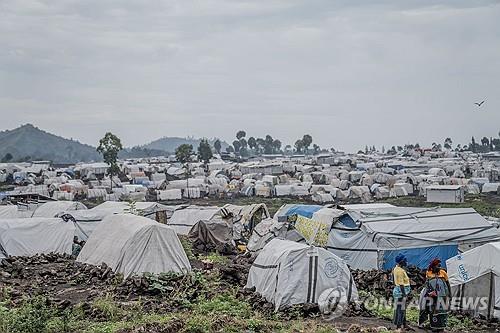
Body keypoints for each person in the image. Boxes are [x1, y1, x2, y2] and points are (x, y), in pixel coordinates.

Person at [418, 258, 450, 332]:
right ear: (433, 267)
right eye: (437, 266)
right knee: (432, 310)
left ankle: (441, 327)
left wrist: (449, 294)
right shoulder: (428, 273)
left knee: (442, 312)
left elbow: (447, 284)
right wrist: (429, 293)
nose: (439, 267)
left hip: (442, 295)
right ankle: (434, 326)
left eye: (440, 266)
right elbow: (427, 284)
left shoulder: (443, 273)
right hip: (432, 296)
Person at [393, 254, 411, 331]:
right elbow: (401, 284)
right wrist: (404, 295)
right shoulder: (399, 271)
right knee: (400, 309)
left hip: (399, 291)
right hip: (401, 292)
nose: (406, 262)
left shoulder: (396, 268)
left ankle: (404, 324)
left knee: (402, 309)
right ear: (401, 262)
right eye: (405, 260)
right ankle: (399, 327)